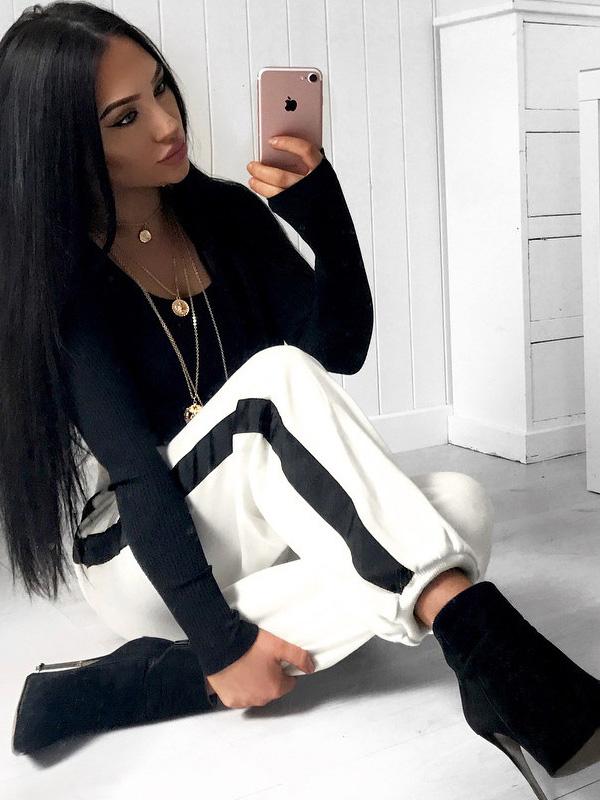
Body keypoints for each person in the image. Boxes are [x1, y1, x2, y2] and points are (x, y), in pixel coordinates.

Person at [1, 3, 598, 797]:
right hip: (137, 553)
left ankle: (157, 678)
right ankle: (496, 656)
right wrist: (221, 644)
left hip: (244, 537)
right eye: (125, 117)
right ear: (65, 147)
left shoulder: (222, 214)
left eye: (161, 89)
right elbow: (142, 472)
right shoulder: (62, 278)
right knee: (275, 385)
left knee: (460, 509)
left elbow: (336, 352)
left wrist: (325, 217)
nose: (168, 123)